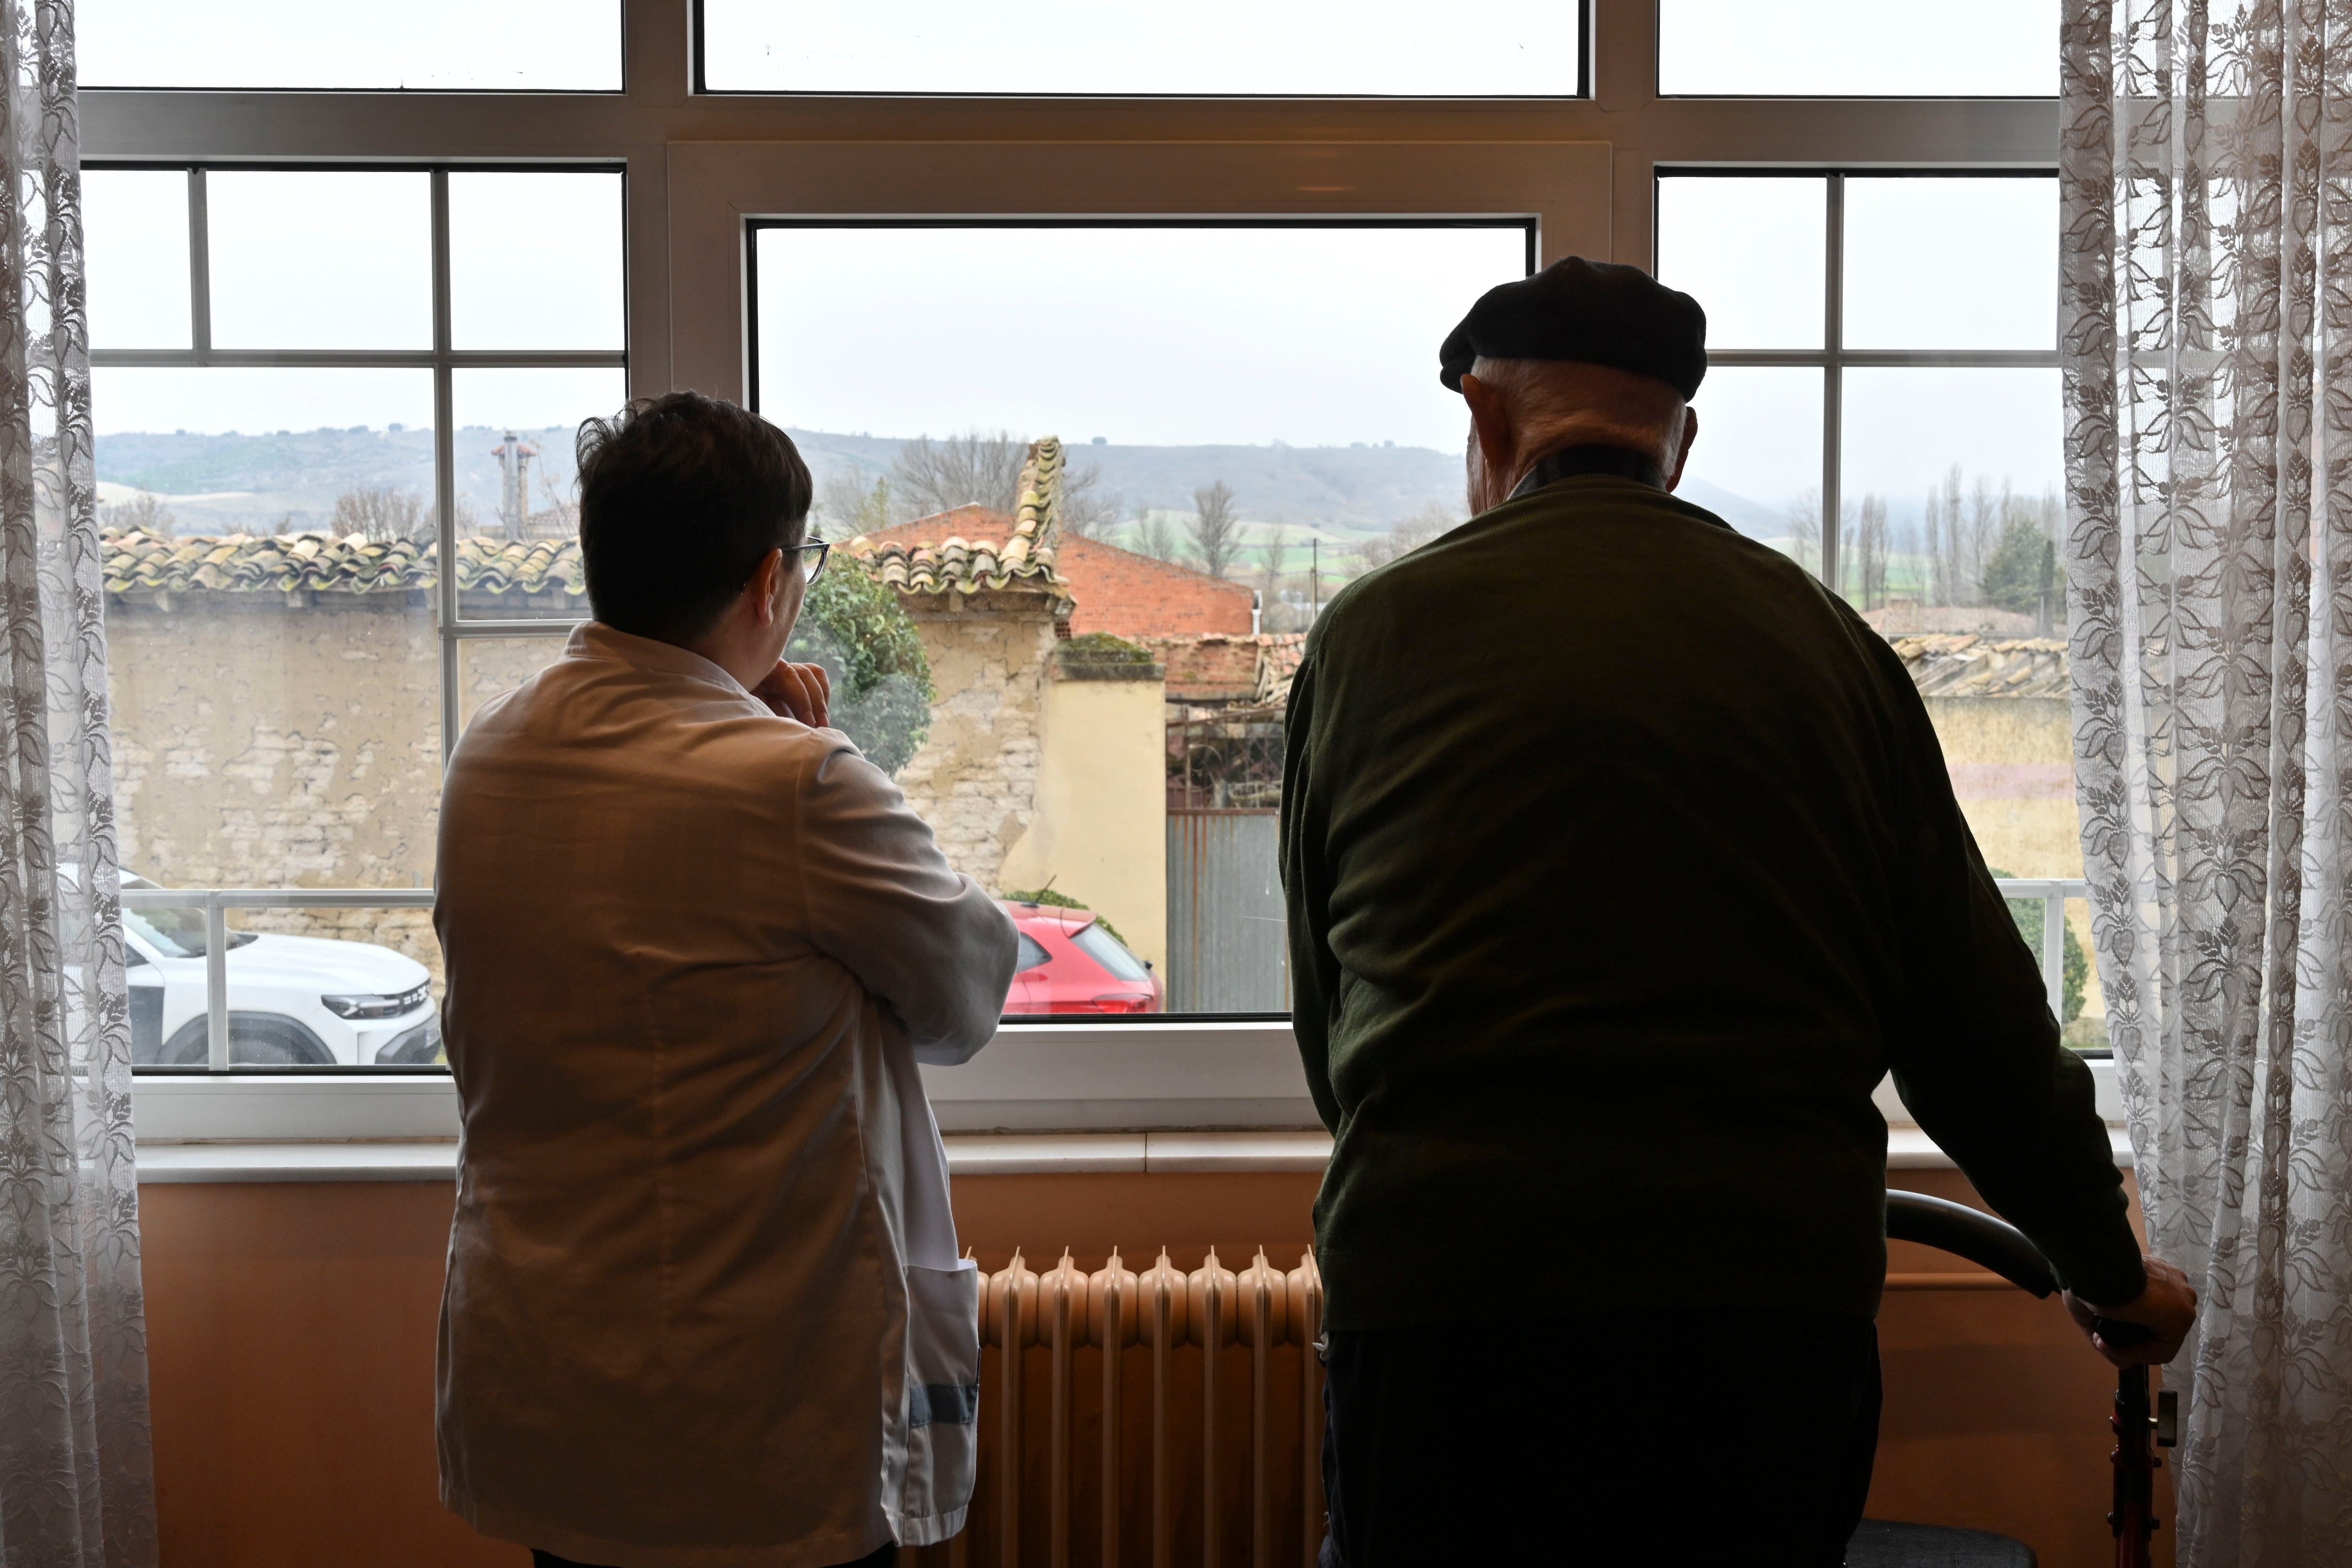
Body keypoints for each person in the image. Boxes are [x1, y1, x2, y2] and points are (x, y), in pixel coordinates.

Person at [1278, 258, 2198, 1565]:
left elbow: (1331, 1026)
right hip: (1761, 1321)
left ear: (1485, 424)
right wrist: (2110, 1275)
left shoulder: (1370, 635)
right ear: (1680, 437)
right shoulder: (1829, 645)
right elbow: (1974, 1024)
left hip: (1446, 1302)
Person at [433, 391, 1017, 1568]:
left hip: (550, 1386)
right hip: (754, 1418)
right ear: (769, 582)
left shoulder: (487, 757)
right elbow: (967, 995)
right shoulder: (795, 786)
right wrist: (806, 747)